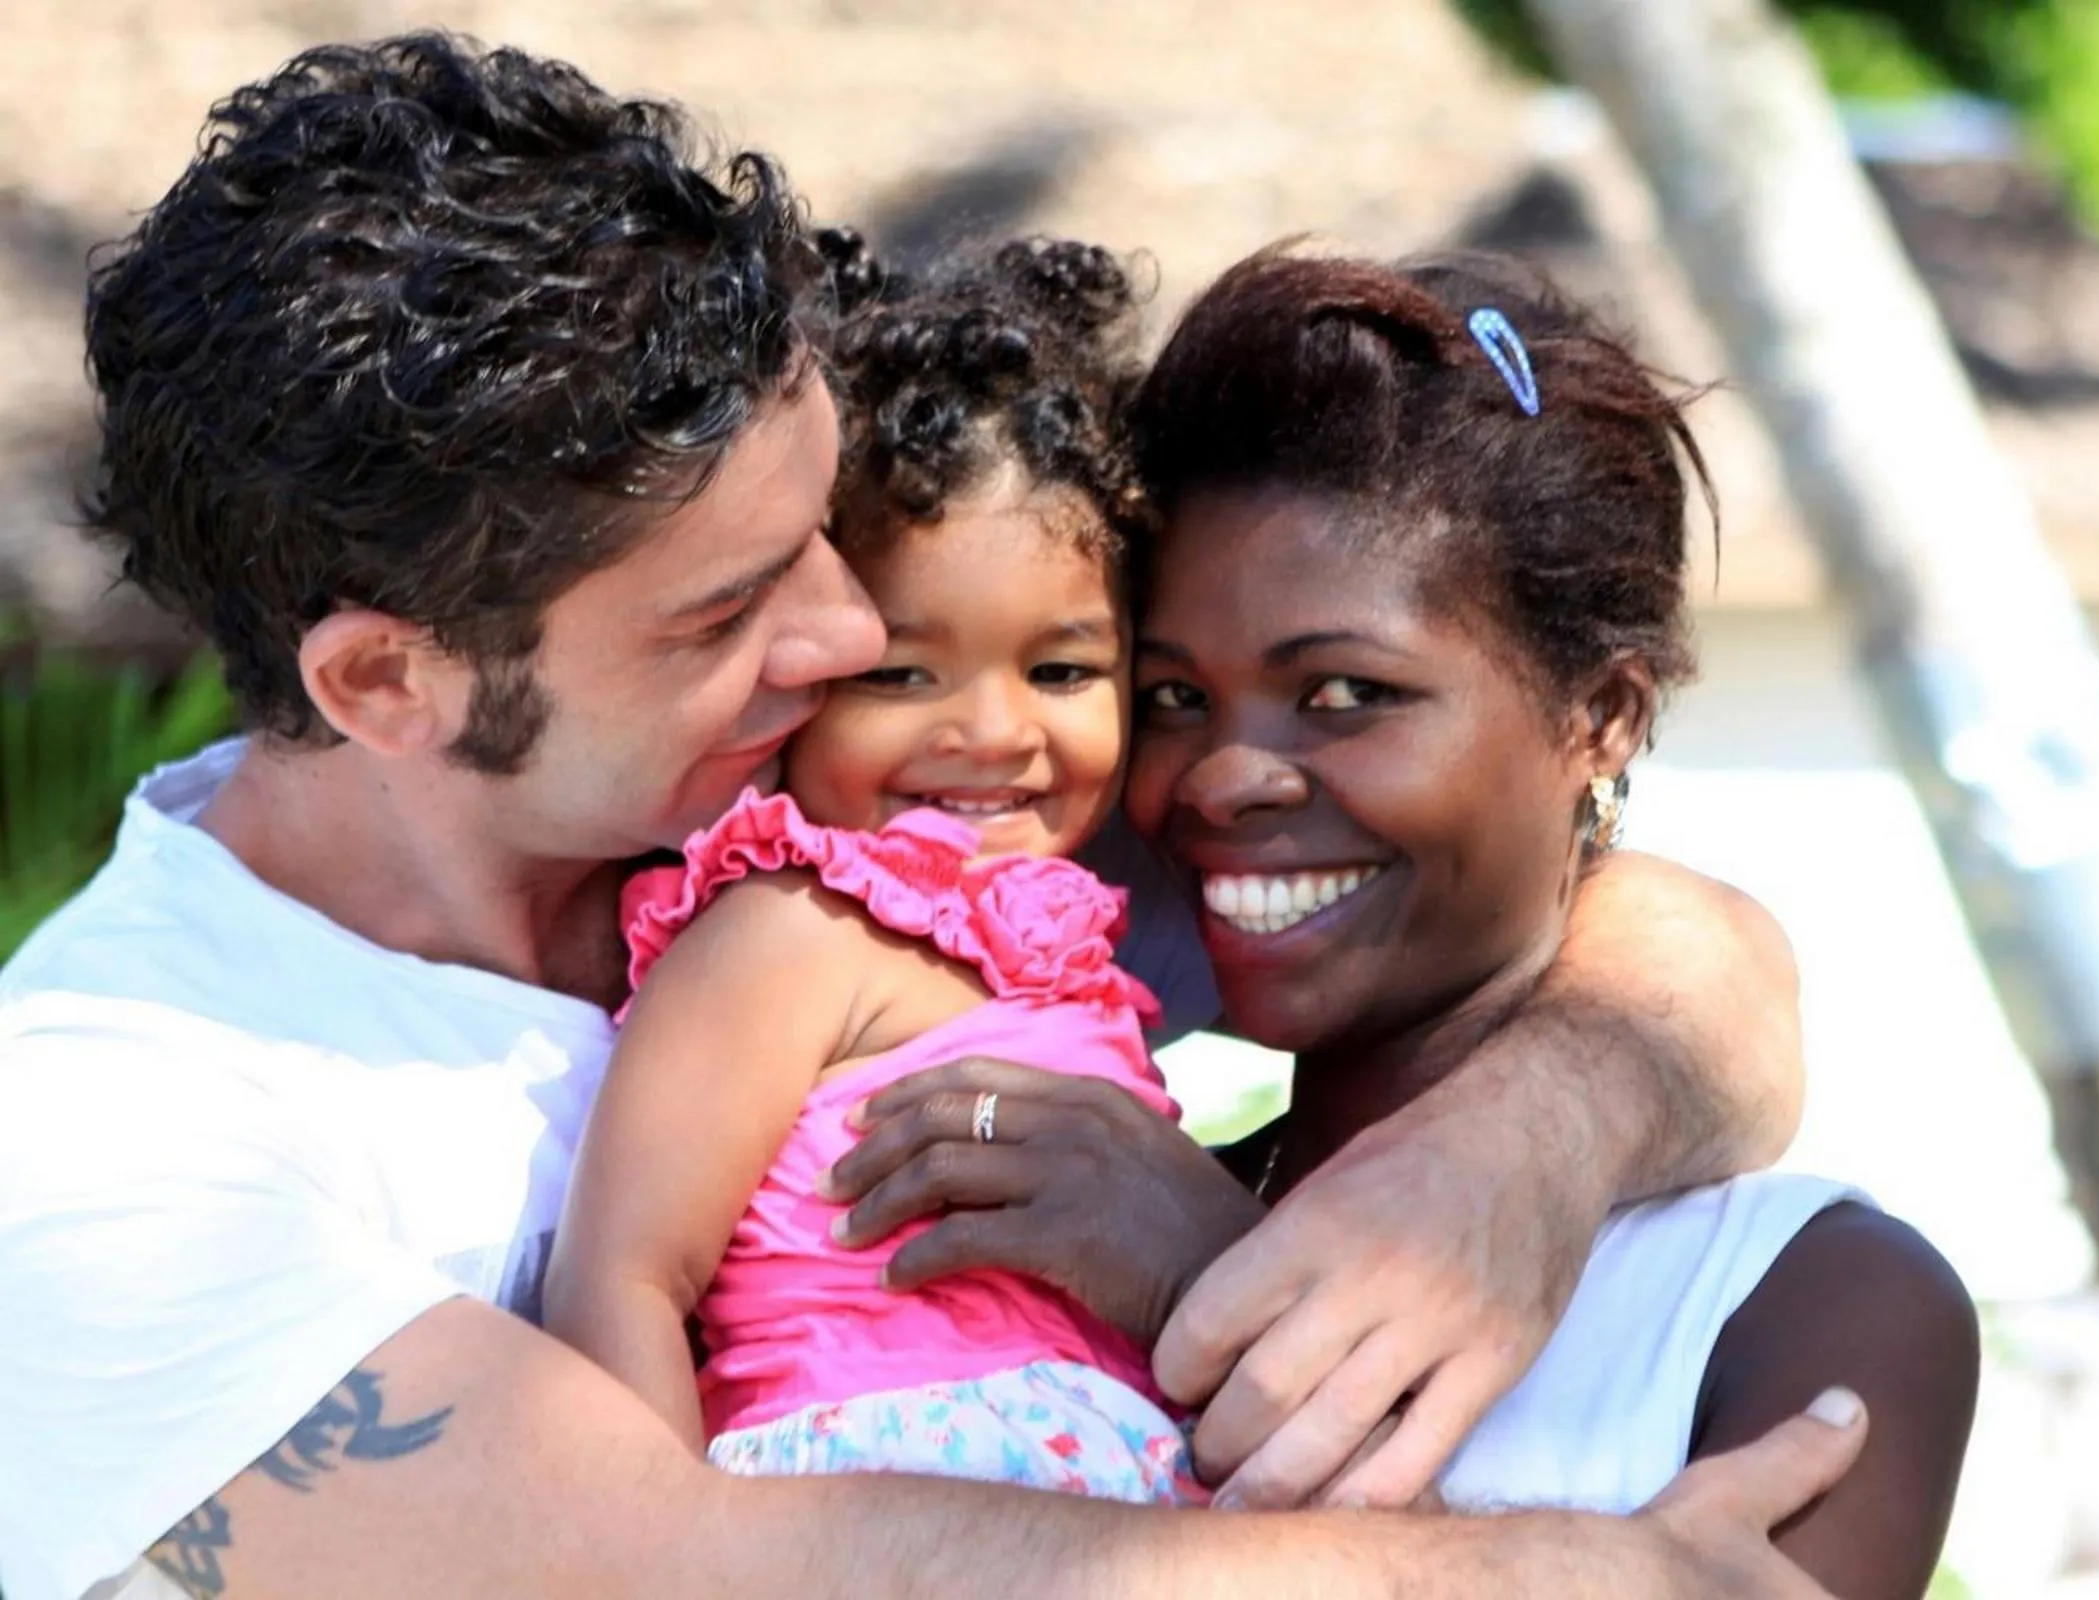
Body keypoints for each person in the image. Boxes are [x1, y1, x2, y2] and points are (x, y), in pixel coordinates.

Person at [0, 34, 1847, 1600]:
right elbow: (682, 1569)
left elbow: (1685, 951)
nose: (845, 631)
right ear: (388, 685)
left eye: (823, 530)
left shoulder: (831, 809)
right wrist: (1549, 1572)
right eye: (720, 612)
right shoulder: (109, 1150)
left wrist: (1512, 1158)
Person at [823, 248, 1980, 1600]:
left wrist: (1216, 1285)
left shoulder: (1810, 1304)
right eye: (1178, 698)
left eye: (1345, 695)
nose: (1223, 775)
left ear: (1600, 715)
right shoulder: (1071, 1179)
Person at [543, 238, 1223, 1502]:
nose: (994, 733)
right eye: (901, 674)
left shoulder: (1074, 960)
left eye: (1062, 671)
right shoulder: (790, 929)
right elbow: (623, 1275)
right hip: (849, 1518)